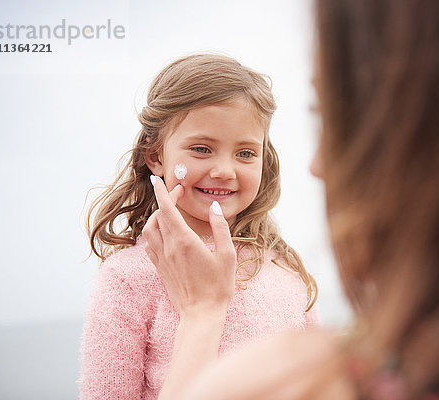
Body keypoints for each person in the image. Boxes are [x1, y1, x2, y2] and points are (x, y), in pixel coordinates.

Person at [150, 1, 439, 399]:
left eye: (336, 115)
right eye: (202, 148)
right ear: (156, 156)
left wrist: (203, 314)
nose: (316, 165)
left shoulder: (295, 372)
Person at [79, 54, 319, 399]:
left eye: (246, 153)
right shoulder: (127, 278)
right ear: (156, 156)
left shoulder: (284, 269)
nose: (224, 170)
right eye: (202, 149)